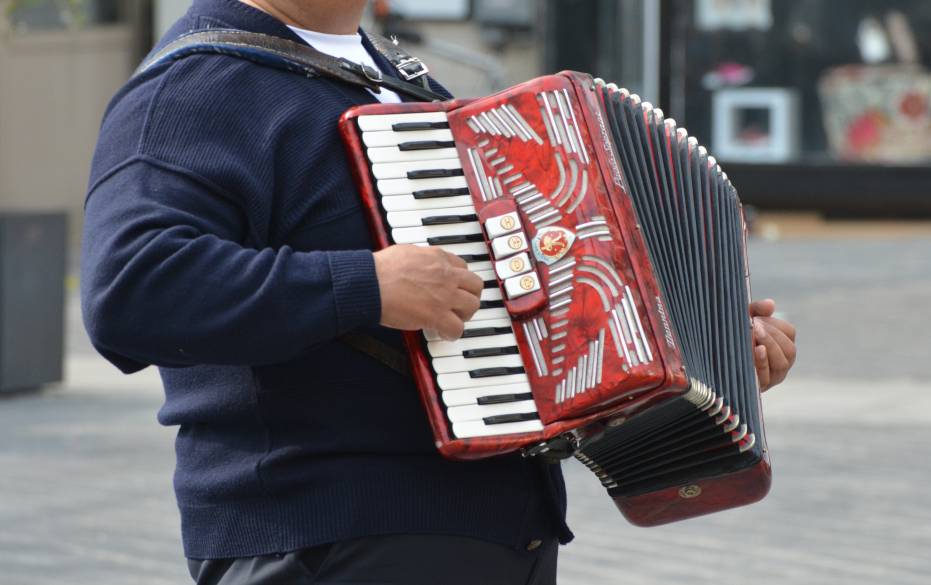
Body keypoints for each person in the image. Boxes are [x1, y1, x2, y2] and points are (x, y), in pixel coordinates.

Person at [80, 1, 797, 583]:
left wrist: (694, 340)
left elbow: (526, 307)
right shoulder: (192, 88)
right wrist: (366, 285)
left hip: (495, 534)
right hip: (327, 537)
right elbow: (130, 288)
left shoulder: (397, 80)